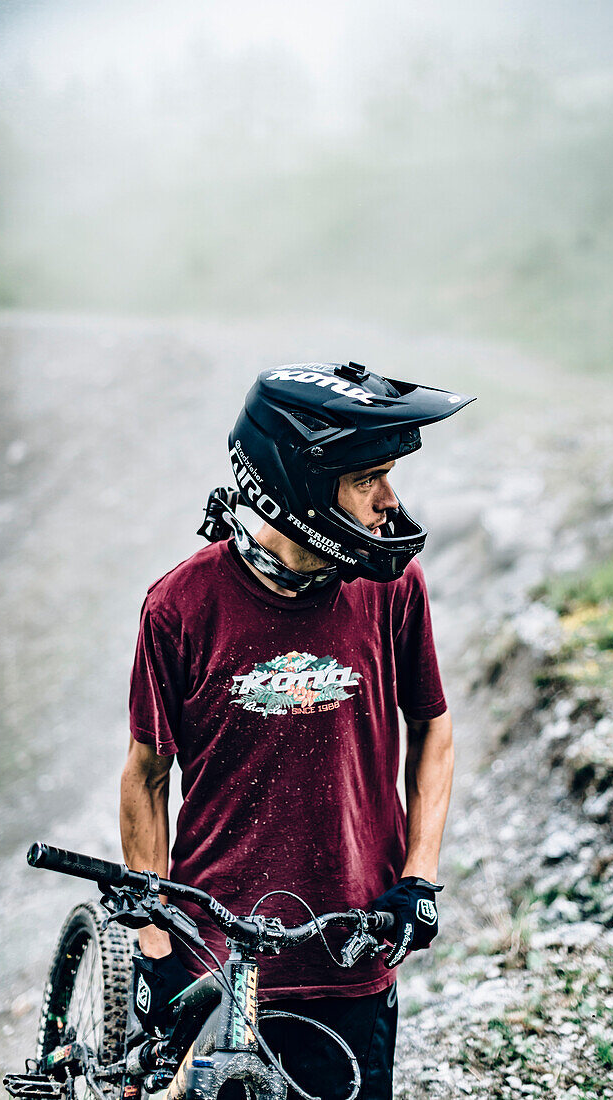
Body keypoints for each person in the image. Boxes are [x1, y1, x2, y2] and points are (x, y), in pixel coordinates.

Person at [120, 361, 474, 1098]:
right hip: (210, 956)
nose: (390, 500)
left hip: (348, 952)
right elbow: (146, 776)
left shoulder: (392, 588)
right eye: (367, 477)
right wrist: (155, 942)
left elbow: (432, 729)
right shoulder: (181, 605)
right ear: (301, 487)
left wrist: (418, 879)